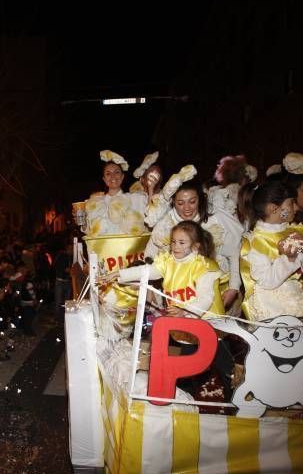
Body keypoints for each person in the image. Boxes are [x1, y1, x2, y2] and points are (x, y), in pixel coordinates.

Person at [110, 221, 233, 399]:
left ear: (195, 246)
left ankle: (238, 401)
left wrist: (185, 310)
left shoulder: (205, 266)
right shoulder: (167, 262)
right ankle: (183, 400)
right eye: (173, 242)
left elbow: (206, 299)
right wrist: (119, 274)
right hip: (186, 329)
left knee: (226, 369)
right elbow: (146, 270)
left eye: (182, 243)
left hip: (210, 328)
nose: (176, 246)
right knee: (186, 369)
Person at [144, 165, 244, 309]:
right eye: (180, 203)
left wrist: (234, 286)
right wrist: (148, 288)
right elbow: (149, 257)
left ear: (200, 199)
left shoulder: (213, 220)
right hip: (179, 294)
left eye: (192, 201)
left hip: (217, 288)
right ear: (173, 202)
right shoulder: (165, 225)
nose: (187, 208)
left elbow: (233, 252)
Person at [239, 178, 303, 321]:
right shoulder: (256, 242)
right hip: (270, 311)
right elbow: (267, 281)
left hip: (294, 304)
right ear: (273, 209)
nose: (296, 208)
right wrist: (290, 258)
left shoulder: (294, 232)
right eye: (291, 203)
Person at [82, 150, 148, 236]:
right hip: (103, 249)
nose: (113, 176)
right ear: (104, 179)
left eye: (116, 172)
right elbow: (90, 230)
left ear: (122, 177)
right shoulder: (96, 203)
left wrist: (150, 188)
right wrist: (82, 221)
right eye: (108, 173)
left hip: (128, 248)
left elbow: (150, 218)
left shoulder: (135, 199)